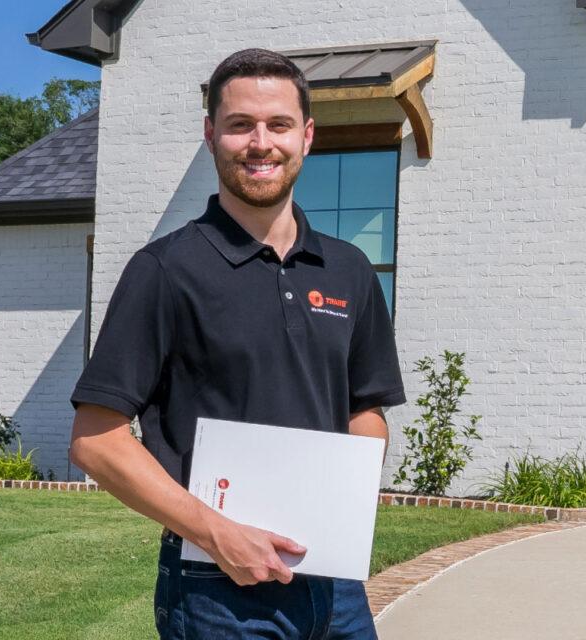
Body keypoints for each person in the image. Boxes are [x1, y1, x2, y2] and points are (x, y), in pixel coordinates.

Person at [67, 48, 405, 639]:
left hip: (336, 589)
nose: (260, 142)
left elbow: (365, 410)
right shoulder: (165, 270)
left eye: (278, 125)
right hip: (217, 591)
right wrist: (217, 533)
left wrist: (343, 500)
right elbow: (97, 441)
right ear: (210, 135)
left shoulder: (348, 271)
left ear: (307, 135)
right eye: (239, 125)